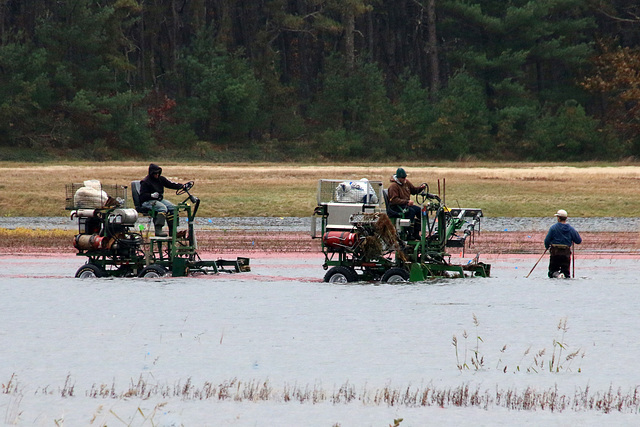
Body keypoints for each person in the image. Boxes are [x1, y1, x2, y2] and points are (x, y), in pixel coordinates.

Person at [139, 163, 186, 236]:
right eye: (155, 174)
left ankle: (173, 231)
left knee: (173, 208)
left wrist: (182, 186)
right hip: (147, 201)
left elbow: (170, 184)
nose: (157, 175)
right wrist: (151, 195)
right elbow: (142, 196)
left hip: (158, 200)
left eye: (158, 173)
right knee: (162, 208)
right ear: (151, 173)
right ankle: (158, 230)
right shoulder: (145, 182)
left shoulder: (161, 179)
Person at [387, 167, 427, 240]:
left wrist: (421, 188)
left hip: (405, 205)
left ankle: (416, 232)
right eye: (402, 178)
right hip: (396, 207)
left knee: (420, 211)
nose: (404, 179)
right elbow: (394, 200)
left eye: (405, 177)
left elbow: (414, 190)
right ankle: (408, 233)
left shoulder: (406, 183)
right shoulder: (393, 186)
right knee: (411, 212)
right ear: (398, 178)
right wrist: (407, 202)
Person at [544, 209, 582, 278]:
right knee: (566, 273)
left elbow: (547, 240)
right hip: (566, 254)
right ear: (566, 218)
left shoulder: (553, 228)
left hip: (555, 253)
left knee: (552, 272)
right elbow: (578, 241)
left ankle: (557, 275)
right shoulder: (571, 229)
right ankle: (562, 275)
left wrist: (547, 247)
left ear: (558, 218)